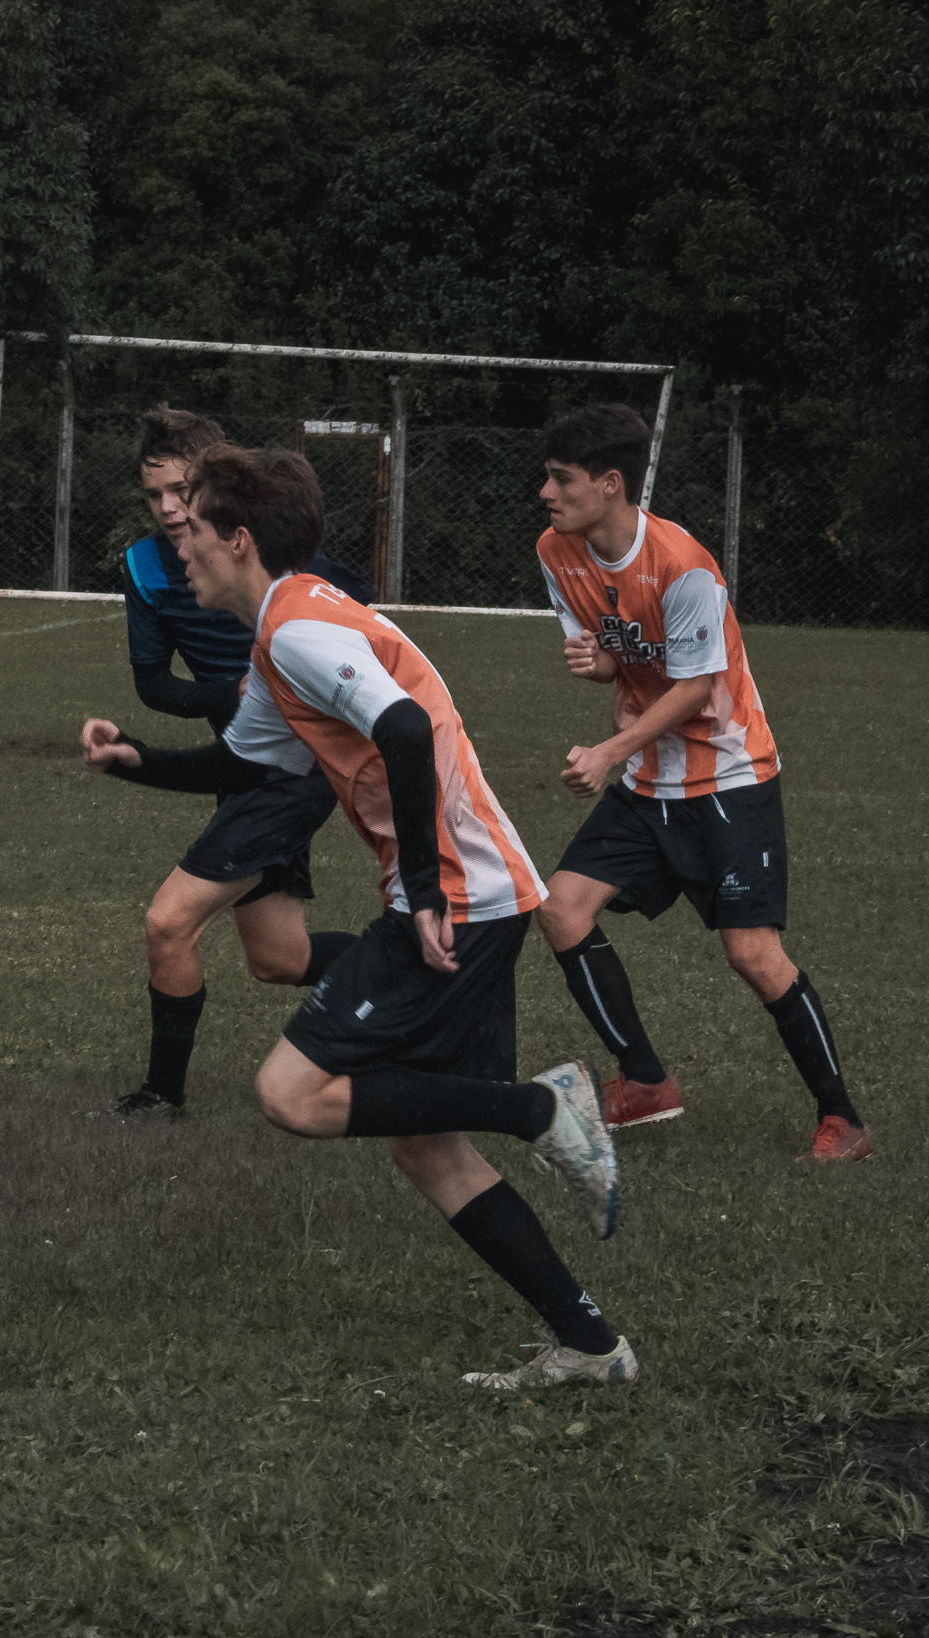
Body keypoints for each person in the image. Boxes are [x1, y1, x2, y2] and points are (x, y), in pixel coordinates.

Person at [85, 445, 635, 1391]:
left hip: (455, 896)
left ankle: (542, 1108)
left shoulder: (298, 631)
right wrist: (139, 758)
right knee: (428, 1149)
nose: (180, 545)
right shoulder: (284, 631)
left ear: (240, 538)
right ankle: (590, 1344)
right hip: (482, 892)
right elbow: (247, 764)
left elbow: (406, 731)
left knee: (290, 1095)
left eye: (197, 528)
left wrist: (421, 889)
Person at [532, 404, 870, 1163]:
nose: (546, 493)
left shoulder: (683, 566)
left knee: (752, 955)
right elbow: (626, 658)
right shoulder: (558, 552)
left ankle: (843, 1119)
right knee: (560, 910)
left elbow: (693, 689)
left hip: (728, 778)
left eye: (562, 479)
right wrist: (606, 668)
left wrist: (608, 751)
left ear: (611, 484)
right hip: (651, 781)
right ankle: (646, 1081)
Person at [112, 406, 373, 1120]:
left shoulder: (277, 560)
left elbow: (359, 613)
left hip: (291, 773)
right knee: (279, 959)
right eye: (153, 495)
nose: (169, 509)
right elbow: (151, 682)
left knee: (169, 923)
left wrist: (305, 686)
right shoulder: (146, 566)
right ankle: (400, 970)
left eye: (182, 491)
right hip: (240, 760)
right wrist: (224, 694)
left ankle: (163, 1096)